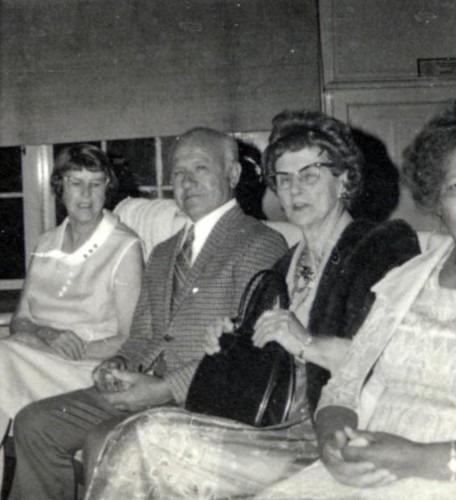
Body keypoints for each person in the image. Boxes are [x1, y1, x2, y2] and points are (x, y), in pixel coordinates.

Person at [83, 110, 420, 500]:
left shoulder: (381, 247)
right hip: (271, 426)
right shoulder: (285, 264)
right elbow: (261, 372)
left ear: (343, 178)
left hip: (332, 433)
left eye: (309, 175)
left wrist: (305, 342)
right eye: (284, 178)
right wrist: (227, 347)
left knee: (148, 440)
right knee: (137, 436)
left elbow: (398, 360)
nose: (295, 191)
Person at [10, 127, 288, 500]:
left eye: (200, 168)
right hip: (143, 384)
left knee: (103, 443)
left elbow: (247, 354)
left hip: (203, 395)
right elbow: (141, 335)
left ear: (233, 174)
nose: (186, 182)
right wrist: (118, 362)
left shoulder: (260, 243)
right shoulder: (163, 251)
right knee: (35, 423)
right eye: (177, 173)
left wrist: (162, 388)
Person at [254, 99, 456, 500]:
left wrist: (417, 458)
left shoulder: (379, 248)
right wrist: (331, 446)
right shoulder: (408, 279)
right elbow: (343, 387)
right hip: (368, 467)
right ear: (437, 200)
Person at [0, 144, 143, 438]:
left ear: (107, 188)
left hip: (84, 368)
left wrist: (77, 349)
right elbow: (20, 321)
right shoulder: (46, 243)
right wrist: (48, 336)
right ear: (60, 187)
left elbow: (132, 338)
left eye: (96, 183)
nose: (86, 195)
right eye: (76, 183)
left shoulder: (124, 247)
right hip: (35, 357)